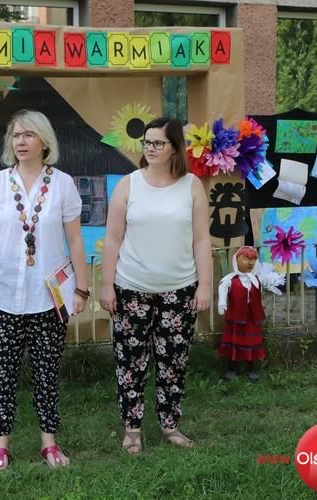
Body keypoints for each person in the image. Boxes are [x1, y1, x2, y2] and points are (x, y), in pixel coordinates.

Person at [0, 109, 88, 470]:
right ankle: (0, 445)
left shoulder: (64, 184)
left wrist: (82, 288)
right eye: (16, 135)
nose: (20, 142)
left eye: (28, 135)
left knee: (46, 372)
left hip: (47, 297)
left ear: (44, 141)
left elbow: (75, 241)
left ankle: (49, 444)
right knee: (3, 371)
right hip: (4, 292)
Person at [100, 117, 212, 454]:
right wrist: (107, 285)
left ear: (175, 148)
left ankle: (170, 425)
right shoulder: (128, 185)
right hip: (131, 289)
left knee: (173, 361)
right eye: (146, 142)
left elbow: (201, 240)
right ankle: (132, 429)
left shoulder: (192, 185)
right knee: (130, 361)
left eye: (158, 143)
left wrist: (204, 285)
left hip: (180, 290)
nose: (150, 148)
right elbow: (112, 239)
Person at [217, 246, 266, 382]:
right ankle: (231, 369)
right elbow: (222, 290)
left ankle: (251, 369)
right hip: (236, 317)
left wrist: (273, 280)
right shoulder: (230, 280)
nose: (250, 263)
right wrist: (222, 304)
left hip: (252, 318)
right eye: (246, 259)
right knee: (234, 342)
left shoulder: (257, 280)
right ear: (236, 260)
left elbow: (267, 284)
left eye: (253, 260)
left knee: (251, 342)